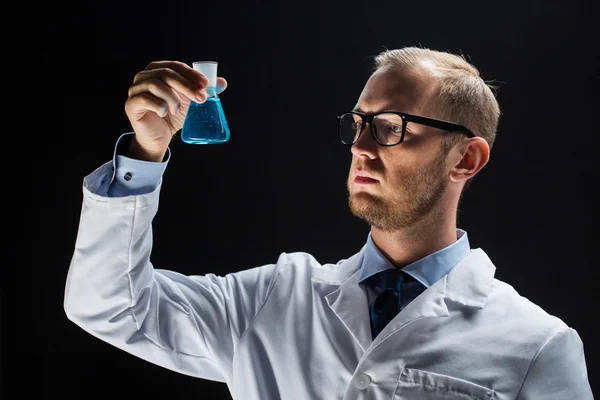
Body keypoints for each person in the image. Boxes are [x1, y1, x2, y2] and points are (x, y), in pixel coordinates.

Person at [64, 47, 593, 399]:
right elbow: (110, 304)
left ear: (466, 160)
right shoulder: (273, 301)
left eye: (390, 127)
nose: (360, 148)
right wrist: (145, 152)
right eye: (358, 124)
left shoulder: (537, 345)